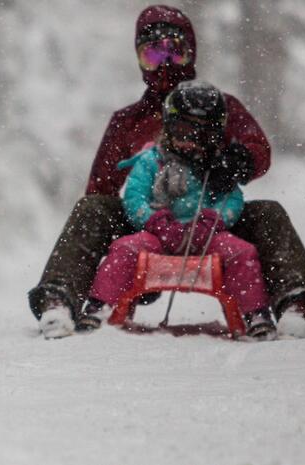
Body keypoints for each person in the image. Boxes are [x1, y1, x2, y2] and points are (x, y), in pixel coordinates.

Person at [29, 4, 305, 339]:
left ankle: (295, 302)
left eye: (175, 52)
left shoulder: (219, 106)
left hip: (213, 218)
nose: (166, 64)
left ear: (191, 53)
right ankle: (58, 298)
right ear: (139, 60)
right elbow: (101, 187)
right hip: (148, 219)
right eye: (153, 56)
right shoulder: (129, 121)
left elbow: (259, 150)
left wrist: (235, 162)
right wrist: (137, 223)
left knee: (268, 213)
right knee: (91, 209)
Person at [87, 80, 276, 340]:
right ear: (168, 128)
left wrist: (213, 221)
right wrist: (155, 221)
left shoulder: (218, 168)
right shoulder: (152, 160)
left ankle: (255, 313)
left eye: (202, 135)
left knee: (242, 253)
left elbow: (232, 201)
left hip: (208, 235)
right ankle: (100, 306)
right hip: (158, 234)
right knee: (124, 249)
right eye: (182, 131)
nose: (190, 143)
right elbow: (134, 196)